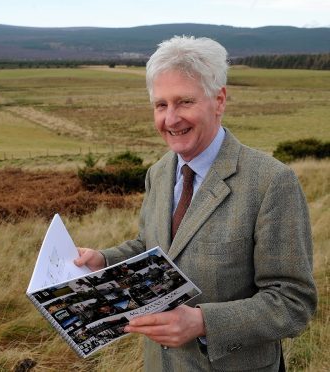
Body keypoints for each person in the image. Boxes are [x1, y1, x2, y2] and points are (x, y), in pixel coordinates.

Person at [74, 36, 317, 371]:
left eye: (184, 102)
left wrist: (203, 322)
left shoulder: (271, 182)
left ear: (219, 100)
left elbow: (293, 303)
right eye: (161, 105)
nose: (171, 120)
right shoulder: (158, 173)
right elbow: (152, 248)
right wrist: (102, 259)